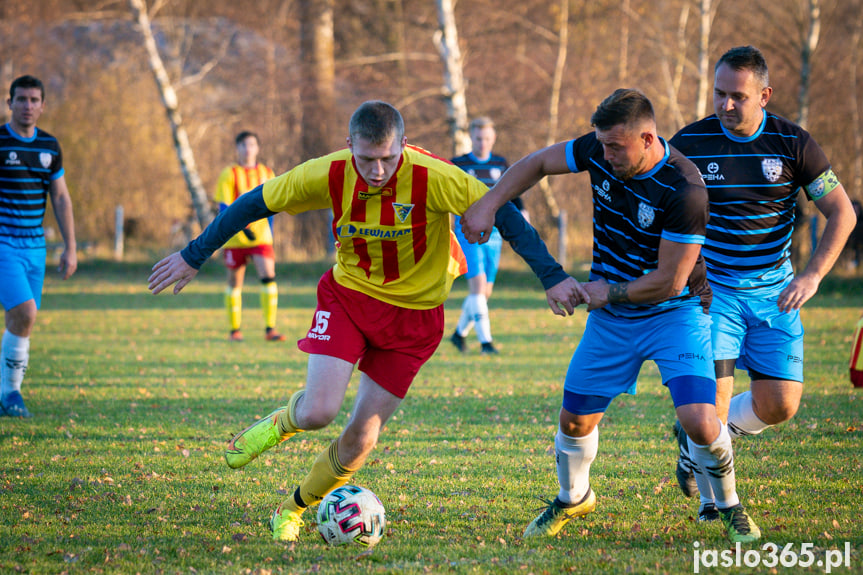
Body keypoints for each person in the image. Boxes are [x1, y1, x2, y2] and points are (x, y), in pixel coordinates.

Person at [148, 100, 585, 542]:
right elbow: (255, 203)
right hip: (350, 299)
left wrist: (552, 277)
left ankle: (293, 508)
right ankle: (284, 422)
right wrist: (194, 254)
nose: (377, 170)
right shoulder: (330, 172)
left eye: (388, 159)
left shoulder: (435, 176)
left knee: (361, 439)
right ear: (348, 146)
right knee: (319, 411)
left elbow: (505, 212)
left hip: (414, 320)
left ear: (404, 146)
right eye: (366, 159)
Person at [461, 88, 761, 543]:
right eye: (601, 144)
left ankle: (729, 505)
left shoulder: (685, 189)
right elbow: (536, 163)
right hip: (613, 318)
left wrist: (607, 291)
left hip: (673, 315)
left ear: (647, 137)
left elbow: (670, 282)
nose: (604, 154)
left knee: (701, 421)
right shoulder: (601, 149)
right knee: (574, 421)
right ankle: (573, 497)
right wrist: (488, 201)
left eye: (615, 146)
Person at [669, 46, 857, 513]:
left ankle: (696, 441)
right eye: (719, 94)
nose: (726, 104)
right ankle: (715, 499)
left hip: (777, 294)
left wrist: (813, 275)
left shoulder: (793, 144)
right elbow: (661, 216)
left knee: (781, 406)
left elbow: (842, 213)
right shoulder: (688, 145)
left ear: (765, 95)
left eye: (737, 96)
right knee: (713, 401)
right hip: (713, 295)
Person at [0, 75, 77, 418]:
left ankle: (6, 392)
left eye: (34, 100)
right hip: (3, 243)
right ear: (10, 103)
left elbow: (60, 197)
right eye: (21, 99)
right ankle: (12, 393)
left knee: (22, 320)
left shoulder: (49, 146)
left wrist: (70, 247)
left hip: (35, 246)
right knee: (25, 312)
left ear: (43, 105)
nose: (28, 106)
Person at [449, 116, 523, 355]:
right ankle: (486, 343)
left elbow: (513, 191)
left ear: (494, 139)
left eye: (487, 138)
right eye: (479, 138)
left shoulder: (501, 163)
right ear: (471, 137)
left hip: (494, 234)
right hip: (467, 232)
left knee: (485, 292)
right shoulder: (457, 164)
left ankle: (459, 334)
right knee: (478, 287)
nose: (483, 143)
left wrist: (523, 215)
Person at [214, 131, 285, 342]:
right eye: (243, 145)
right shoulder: (229, 174)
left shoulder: (267, 172)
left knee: (268, 276)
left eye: (252, 144)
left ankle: (270, 328)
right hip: (235, 238)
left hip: (261, 237)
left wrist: (269, 230)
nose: (248, 149)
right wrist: (239, 227)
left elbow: (274, 203)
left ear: (258, 148)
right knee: (235, 283)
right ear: (237, 148)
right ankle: (235, 330)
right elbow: (224, 206)